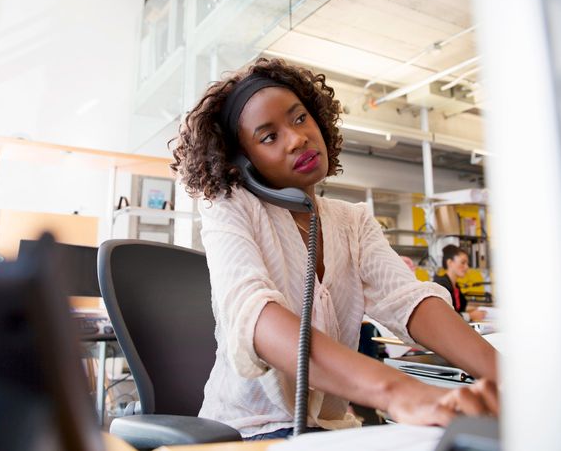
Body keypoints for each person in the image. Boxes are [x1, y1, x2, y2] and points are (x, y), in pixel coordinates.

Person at [170, 58, 498, 440]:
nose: (297, 138)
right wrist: (400, 392)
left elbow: (409, 300)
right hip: (251, 432)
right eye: (269, 137)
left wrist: (506, 376)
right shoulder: (231, 209)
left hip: (332, 431)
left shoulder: (352, 221)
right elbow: (254, 316)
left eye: (299, 118)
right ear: (242, 164)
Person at [434, 245, 486, 322]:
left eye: (467, 263)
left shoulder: (456, 286)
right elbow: (446, 316)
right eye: (463, 263)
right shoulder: (441, 286)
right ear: (450, 263)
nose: (467, 267)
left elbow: (460, 308)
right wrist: (470, 316)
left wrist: (478, 310)